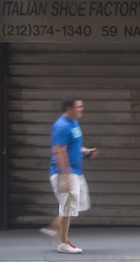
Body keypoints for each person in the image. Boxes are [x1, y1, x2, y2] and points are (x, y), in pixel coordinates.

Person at [40, 96, 98, 254]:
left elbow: (74, 146)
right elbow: (59, 152)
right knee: (68, 208)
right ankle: (63, 242)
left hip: (75, 172)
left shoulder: (74, 122)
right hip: (64, 173)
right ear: (69, 108)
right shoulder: (61, 126)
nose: (82, 109)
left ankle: (53, 229)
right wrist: (65, 176)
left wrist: (86, 151)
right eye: (78, 107)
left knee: (77, 205)